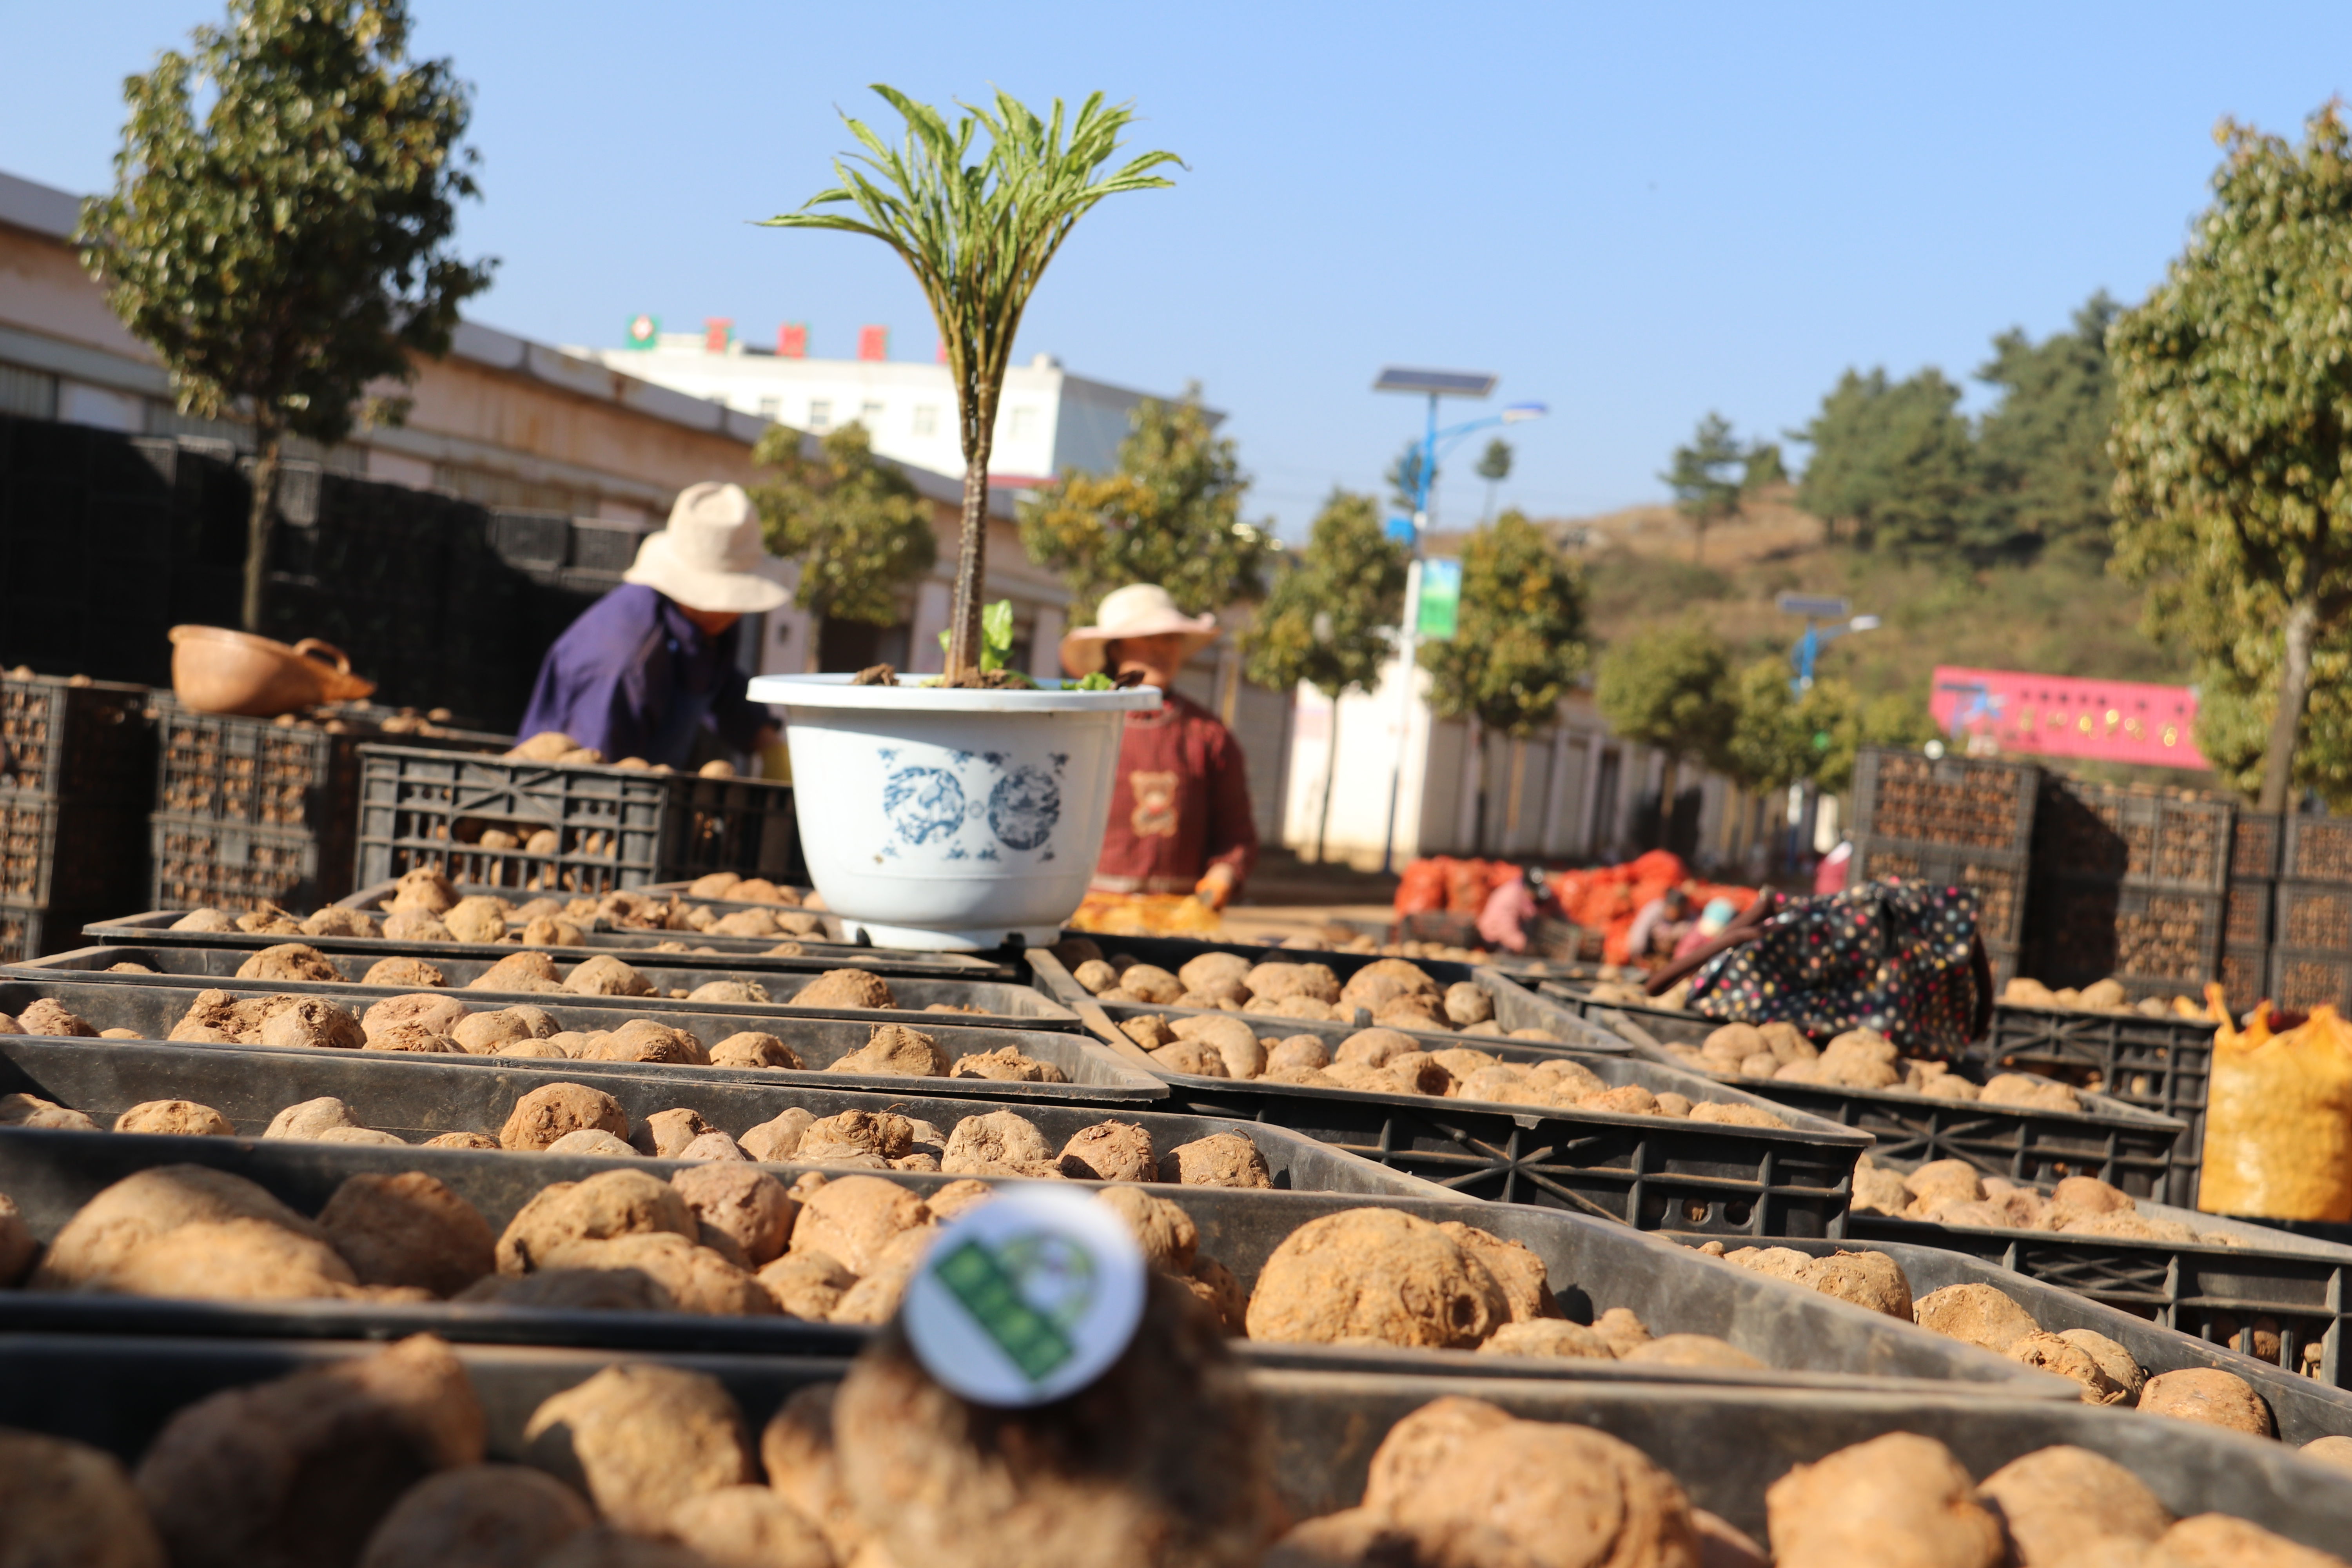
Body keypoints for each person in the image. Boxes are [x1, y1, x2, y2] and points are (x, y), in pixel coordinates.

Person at [518, 482, 785, 770]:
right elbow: (591, 778)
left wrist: (769, 742)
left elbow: (717, 682)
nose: (739, 609)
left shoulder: (706, 625)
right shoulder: (623, 660)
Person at [1061, 583, 1257, 909]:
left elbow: (1236, 834)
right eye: (1147, 638)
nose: (1161, 650)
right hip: (1087, 912)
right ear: (1115, 649)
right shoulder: (1081, 727)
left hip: (1179, 918)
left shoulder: (1209, 735)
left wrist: (1221, 879)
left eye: (1170, 639)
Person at [1625, 884, 1694, 964]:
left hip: (1672, 958)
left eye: (1677, 911)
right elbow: (1640, 933)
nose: (1673, 913)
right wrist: (1639, 955)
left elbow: (1690, 945)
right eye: (1671, 909)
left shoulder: (1689, 921)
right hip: (1648, 952)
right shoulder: (1654, 910)